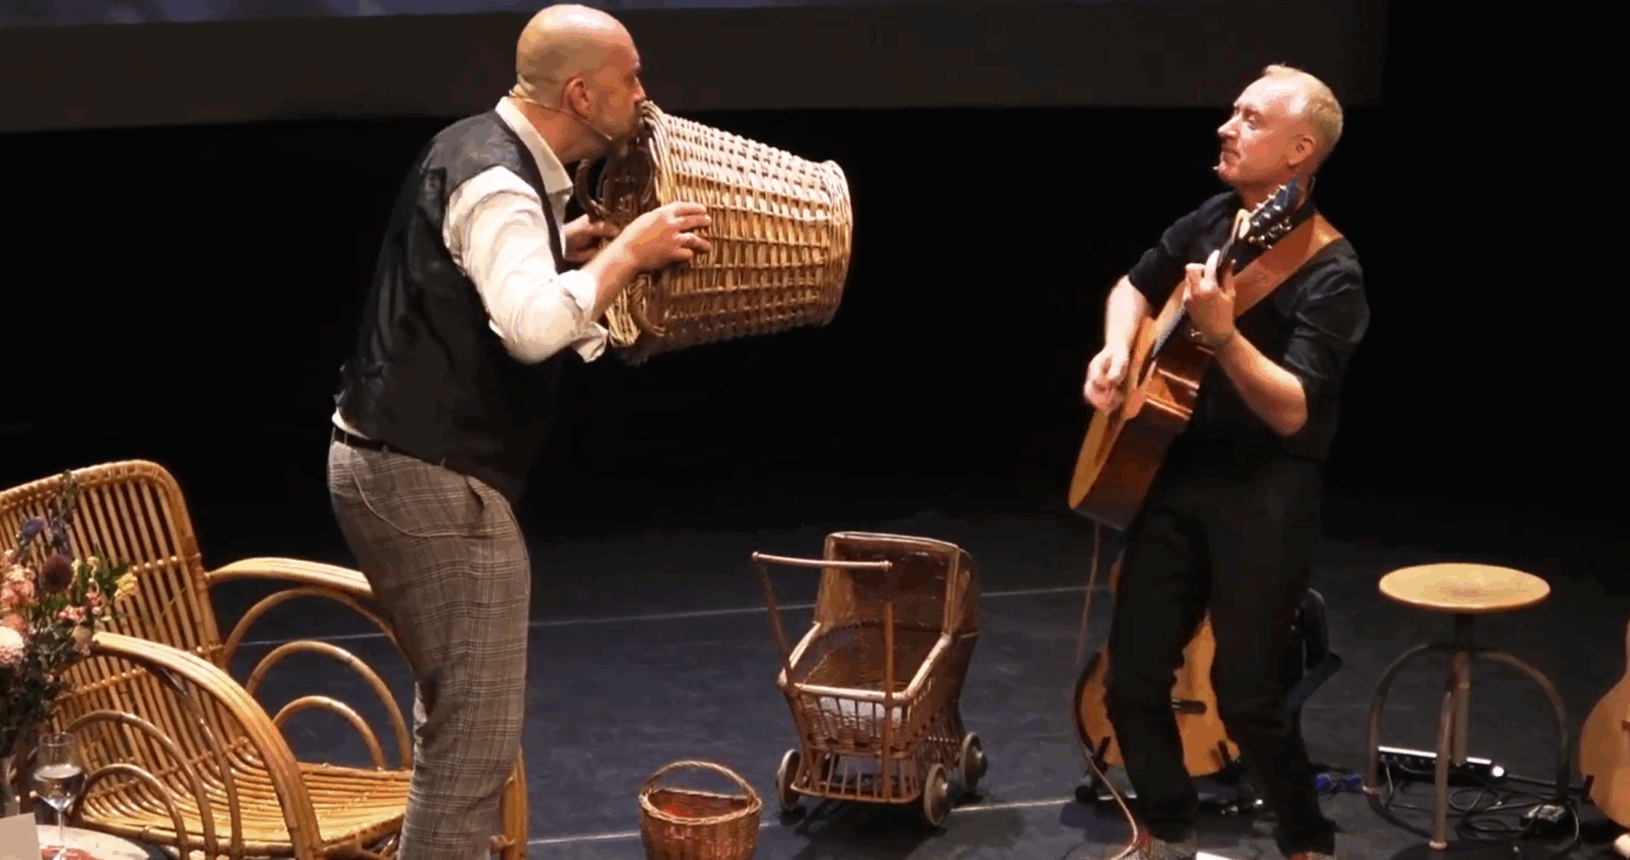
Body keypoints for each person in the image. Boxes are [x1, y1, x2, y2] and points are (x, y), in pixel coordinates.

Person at [324, 5, 711, 859]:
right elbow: (531, 329)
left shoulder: (474, 146)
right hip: (427, 479)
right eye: (630, 80)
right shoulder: (499, 180)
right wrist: (629, 255)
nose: (643, 96)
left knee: (457, 724)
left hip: (390, 465)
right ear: (580, 95)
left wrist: (560, 247)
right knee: (474, 743)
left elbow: (471, 277)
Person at [1081, 64, 1368, 860]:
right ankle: (1169, 834)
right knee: (1131, 681)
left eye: (1249, 119)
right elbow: (1133, 288)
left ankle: (1307, 842)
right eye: (1233, 113)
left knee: (1247, 698)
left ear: (1299, 152)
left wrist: (1224, 335)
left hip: (1266, 491)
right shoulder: (1214, 217)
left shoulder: (1332, 270)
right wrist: (1117, 350)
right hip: (1176, 472)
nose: (1225, 128)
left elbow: (1293, 408)